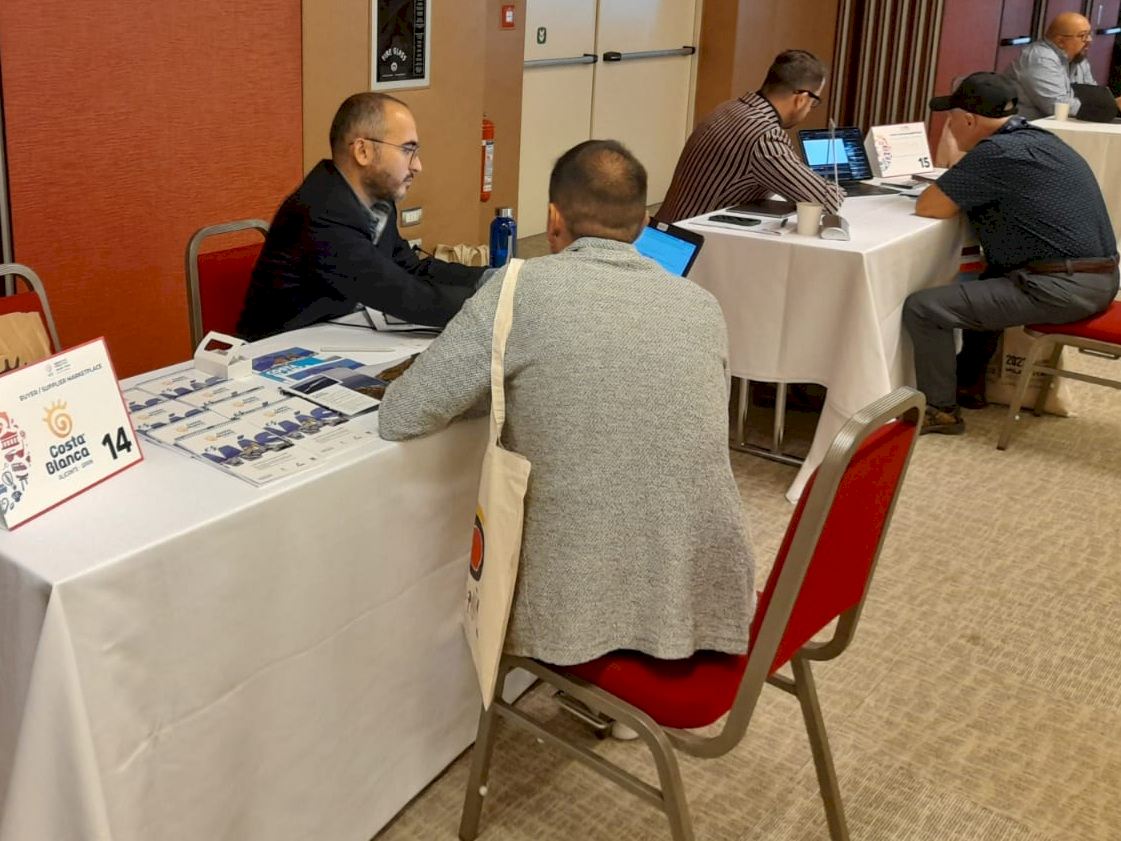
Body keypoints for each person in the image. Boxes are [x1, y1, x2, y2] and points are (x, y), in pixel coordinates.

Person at [379, 140, 755, 668]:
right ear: (642, 225)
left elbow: (404, 414)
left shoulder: (518, 289)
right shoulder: (703, 306)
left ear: (553, 219)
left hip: (573, 611)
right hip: (696, 593)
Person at [903, 73, 1118, 435]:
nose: (948, 126)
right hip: (1098, 278)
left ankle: (941, 409)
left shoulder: (994, 153)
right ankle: (967, 384)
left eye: (951, 119)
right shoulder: (1041, 139)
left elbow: (930, 206)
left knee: (925, 308)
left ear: (968, 120)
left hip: (1061, 287)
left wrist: (955, 155)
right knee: (991, 276)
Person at [238, 92, 487, 341]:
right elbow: (403, 295)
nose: (417, 166)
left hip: (336, 336)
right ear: (363, 151)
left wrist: (491, 279)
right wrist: (496, 303)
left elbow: (410, 268)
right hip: (279, 352)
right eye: (407, 150)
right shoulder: (321, 211)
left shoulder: (378, 200)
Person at [655, 49, 843, 223]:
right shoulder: (763, 137)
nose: (810, 109)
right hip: (695, 237)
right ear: (801, 99)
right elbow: (826, 201)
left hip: (667, 228)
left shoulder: (729, 108)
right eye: (813, 102)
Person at [1003, 11, 1121, 120]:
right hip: (1026, 128)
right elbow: (1056, 105)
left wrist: (1108, 104)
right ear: (1060, 41)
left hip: (1058, 126)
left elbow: (1093, 95)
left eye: (1089, 34)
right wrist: (1110, 106)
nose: (1089, 40)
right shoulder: (1040, 58)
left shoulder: (1078, 58)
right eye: (1083, 36)